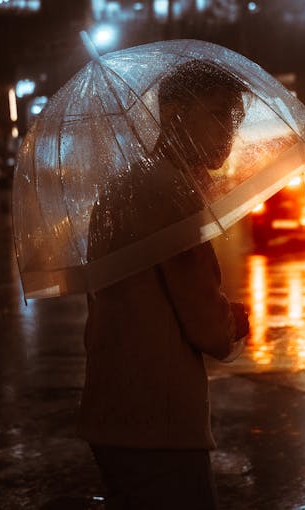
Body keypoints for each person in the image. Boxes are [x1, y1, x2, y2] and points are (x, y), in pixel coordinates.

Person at [78, 60, 251, 510]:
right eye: (216, 114)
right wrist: (234, 319)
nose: (228, 131)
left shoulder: (120, 188)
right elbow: (207, 327)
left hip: (110, 412)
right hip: (162, 424)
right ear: (174, 114)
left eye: (233, 118)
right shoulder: (172, 193)